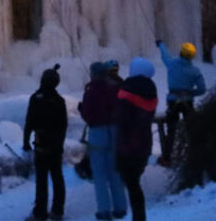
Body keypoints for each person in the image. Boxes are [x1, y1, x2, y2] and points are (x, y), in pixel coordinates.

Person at [79, 61, 128, 221]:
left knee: (99, 174)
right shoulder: (115, 88)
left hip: (98, 132)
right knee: (115, 171)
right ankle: (121, 207)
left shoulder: (91, 91)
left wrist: (82, 109)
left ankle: (104, 210)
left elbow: (87, 115)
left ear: (94, 74)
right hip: (115, 131)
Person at [115, 56, 158, 221]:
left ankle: (138, 218)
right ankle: (139, 217)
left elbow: (120, 119)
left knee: (131, 184)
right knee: (134, 184)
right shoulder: (151, 92)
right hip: (144, 144)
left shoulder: (126, 93)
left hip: (127, 146)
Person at [23, 64, 67, 221]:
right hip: (55, 146)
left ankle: (40, 212)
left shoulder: (36, 99)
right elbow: (64, 125)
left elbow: (29, 122)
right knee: (57, 177)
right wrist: (60, 143)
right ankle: (58, 211)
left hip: (41, 145)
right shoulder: (59, 100)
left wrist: (26, 142)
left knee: (41, 179)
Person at [156, 39, 206, 166]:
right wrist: (190, 93)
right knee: (191, 129)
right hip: (188, 103)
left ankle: (166, 158)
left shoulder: (172, 64)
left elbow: (165, 55)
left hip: (173, 102)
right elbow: (202, 89)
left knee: (172, 130)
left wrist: (161, 44)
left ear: (181, 53)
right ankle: (195, 156)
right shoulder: (195, 71)